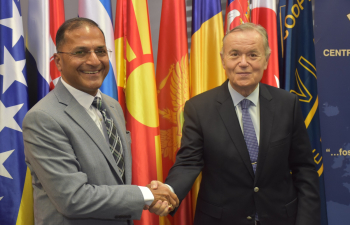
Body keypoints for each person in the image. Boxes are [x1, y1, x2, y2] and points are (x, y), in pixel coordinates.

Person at [152, 23, 320, 225]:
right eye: (234, 54)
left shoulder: (287, 104)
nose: (243, 63)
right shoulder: (199, 108)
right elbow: (189, 162)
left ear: (266, 60)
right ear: (223, 60)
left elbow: (304, 169)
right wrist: (168, 192)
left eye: (252, 55)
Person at [23, 17, 178, 225]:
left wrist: (150, 195)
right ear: (58, 61)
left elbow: (112, 178)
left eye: (101, 51)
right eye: (80, 52)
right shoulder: (43, 118)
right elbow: (73, 199)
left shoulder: (112, 106)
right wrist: (144, 195)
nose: (94, 60)